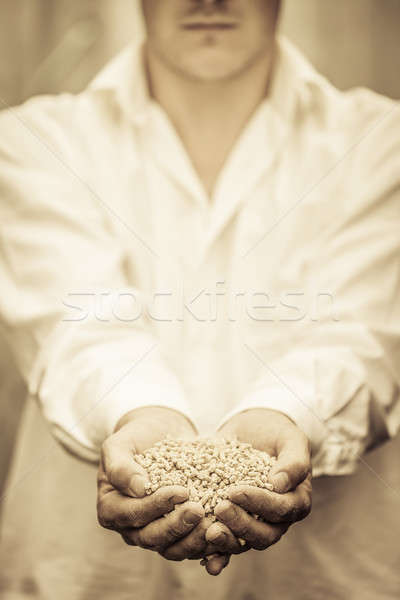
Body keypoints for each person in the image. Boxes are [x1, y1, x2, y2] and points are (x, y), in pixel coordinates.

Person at [0, 0, 399, 598]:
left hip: (325, 578)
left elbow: (364, 332)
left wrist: (286, 416)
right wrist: (139, 415)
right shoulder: (33, 139)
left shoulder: (381, 142)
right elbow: (78, 321)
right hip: (86, 579)